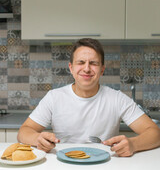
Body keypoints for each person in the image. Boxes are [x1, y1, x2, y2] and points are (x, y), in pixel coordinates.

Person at [17, 38, 160, 157]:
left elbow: (154, 133)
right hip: (63, 165)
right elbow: (24, 131)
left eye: (93, 63)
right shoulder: (54, 97)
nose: (86, 68)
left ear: (102, 69)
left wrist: (133, 144)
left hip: (105, 166)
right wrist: (37, 139)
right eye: (80, 62)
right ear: (71, 68)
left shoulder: (117, 99)